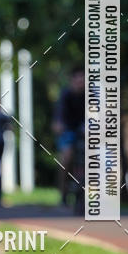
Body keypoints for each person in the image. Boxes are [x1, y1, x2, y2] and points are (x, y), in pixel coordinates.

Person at [53, 67, 86, 205]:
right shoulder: (65, 95)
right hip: (67, 130)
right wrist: (58, 124)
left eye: (82, 79)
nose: (80, 82)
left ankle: (83, 191)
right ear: (72, 80)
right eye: (77, 79)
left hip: (84, 131)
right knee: (66, 158)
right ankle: (63, 191)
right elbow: (59, 115)